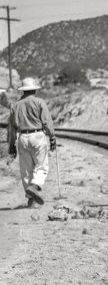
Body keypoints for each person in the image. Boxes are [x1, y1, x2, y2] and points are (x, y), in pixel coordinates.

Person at [6, 77, 56, 207]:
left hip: (22, 137)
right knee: (41, 166)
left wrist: (11, 146)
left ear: (23, 91)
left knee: (26, 171)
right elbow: (47, 122)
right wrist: (52, 137)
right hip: (38, 135)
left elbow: (11, 129)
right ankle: (35, 186)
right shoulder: (40, 102)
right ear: (34, 89)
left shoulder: (15, 105)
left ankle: (30, 200)